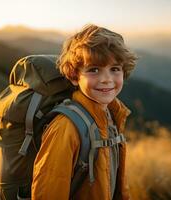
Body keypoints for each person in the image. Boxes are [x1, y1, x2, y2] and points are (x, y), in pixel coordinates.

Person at [31, 24, 137, 200]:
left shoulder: (112, 115)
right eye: (94, 69)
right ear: (74, 76)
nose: (106, 79)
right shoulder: (66, 127)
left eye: (115, 69)